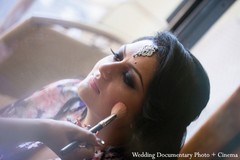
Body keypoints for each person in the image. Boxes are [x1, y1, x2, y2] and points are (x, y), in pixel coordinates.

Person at [0, 31, 210, 160]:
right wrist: (40, 130)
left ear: (146, 120)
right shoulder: (67, 92)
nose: (107, 67)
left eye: (127, 78)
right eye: (116, 55)